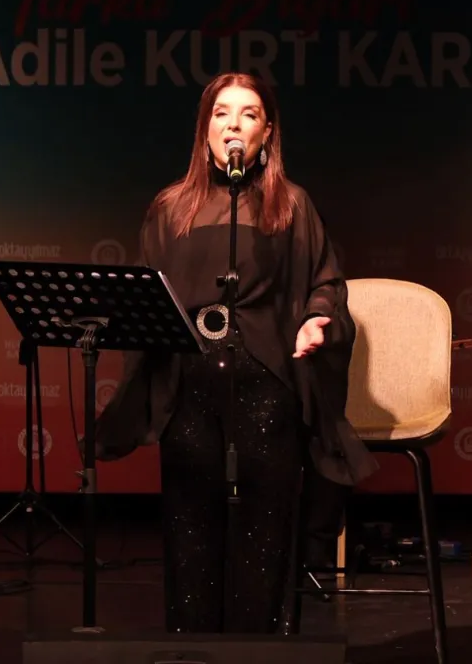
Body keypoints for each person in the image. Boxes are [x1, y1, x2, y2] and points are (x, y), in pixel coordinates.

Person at [94, 72, 378, 634]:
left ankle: (261, 644)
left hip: (265, 376)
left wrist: (317, 318)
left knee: (265, 524)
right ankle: (192, 642)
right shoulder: (170, 207)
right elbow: (149, 288)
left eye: (249, 115)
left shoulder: (292, 205)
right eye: (221, 113)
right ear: (205, 131)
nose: (233, 125)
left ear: (266, 133)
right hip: (189, 376)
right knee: (190, 522)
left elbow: (325, 281)